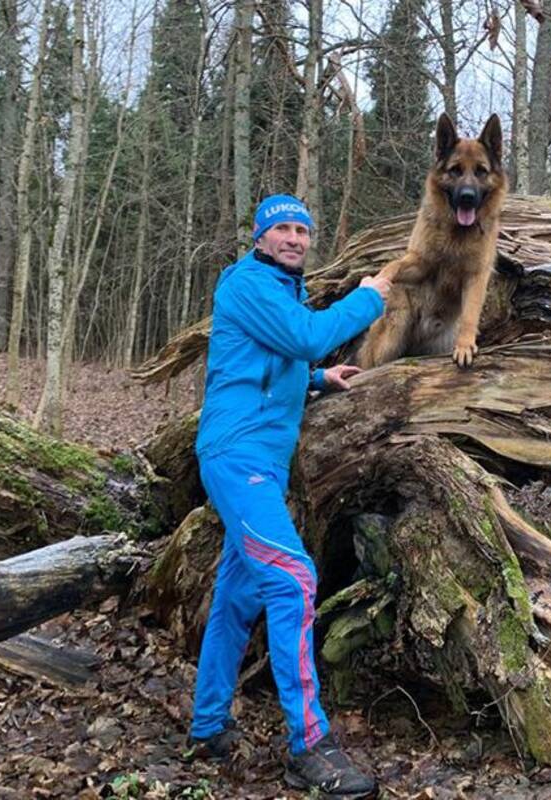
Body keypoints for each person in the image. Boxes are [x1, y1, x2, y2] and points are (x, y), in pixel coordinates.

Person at [185, 193, 390, 797]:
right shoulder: (247, 284)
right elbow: (306, 336)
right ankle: (308, 745)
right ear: (260, 238)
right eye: (284, 230)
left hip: (263, 465)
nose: (296, 239)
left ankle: (207, 724)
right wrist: (371, 298)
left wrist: (320, 380)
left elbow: (275, 362)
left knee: (235, 593)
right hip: (236, 457)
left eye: (303, 229)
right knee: (294, 579)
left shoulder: (277, 289)